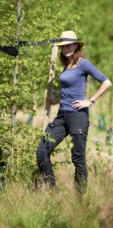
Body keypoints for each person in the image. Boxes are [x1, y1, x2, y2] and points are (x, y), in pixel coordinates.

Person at [36, 30, 112, 193]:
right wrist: (56, 100)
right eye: (63, 46)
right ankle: (51, 190)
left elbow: (106, 82)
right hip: (62, 115)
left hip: (78, 116)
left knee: (77, 157)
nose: (66, 48)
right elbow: (69, 90)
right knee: (42, 149)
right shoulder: (66, 65)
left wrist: (90, 101)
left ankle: (80, 198)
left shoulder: (83, 63)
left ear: (76, 45)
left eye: (69, 45)